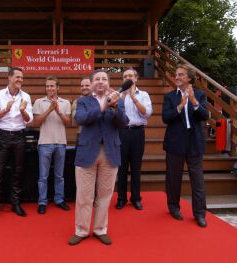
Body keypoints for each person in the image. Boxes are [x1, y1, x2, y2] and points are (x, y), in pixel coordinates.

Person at [68, 69, 129, 246]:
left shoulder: (119, 100)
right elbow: (81, 119)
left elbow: (123, 123)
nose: (101, 82)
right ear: (92, 83)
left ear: (108, 83)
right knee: (84, 196)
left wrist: (116, 107)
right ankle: (81, 230)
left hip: (110, 152)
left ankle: (100, 229)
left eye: (104, 79)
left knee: (104, 195)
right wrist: (103, 107)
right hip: (87, 152)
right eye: (97, 79)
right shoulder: (83, 101)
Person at [162, 64, 209, 228]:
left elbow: (205, 115)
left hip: (194, 142)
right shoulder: (169, 97)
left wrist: (194, 101)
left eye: (181, 74)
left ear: (189, 78)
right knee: (173, 178)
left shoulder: (200, 94)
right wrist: (180, 106)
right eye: (176, 74)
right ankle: (173, 207)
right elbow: (165, 118)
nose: (177, 77)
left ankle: (200, 214)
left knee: (198, 180)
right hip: (175, 142)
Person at [0, 67, 33, 222]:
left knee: (18, 171)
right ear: (9, 78)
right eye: (17, 77)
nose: (20, 80)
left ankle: (16, 204)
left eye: (22, 77)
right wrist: (6, 109)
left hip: (19, 136)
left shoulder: (26, 96)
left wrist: (23, 111)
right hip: (3, 135)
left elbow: (29, 120)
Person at [33, 76, 71, 214]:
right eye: (47, 86)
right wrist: (49, 109)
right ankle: (42, 201)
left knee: (59, 175)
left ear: (58, 87)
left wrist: (58, 110)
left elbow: (68, 123)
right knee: (43, 176)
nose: (49, 88)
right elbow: (36, 123)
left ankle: (59, 200)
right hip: (44, 143)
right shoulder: (39, 102)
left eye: (52, 86)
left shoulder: (65, 102)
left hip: (61, 143)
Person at [116, 68, 152, 210]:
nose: (128, 78)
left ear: (136, 78)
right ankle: (121, 198)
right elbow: (115, 114)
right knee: (122, 168)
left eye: (130, 75)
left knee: (136, 167)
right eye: (125, 76)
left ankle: (136, 198)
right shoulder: (118, 94)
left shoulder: (143, 94)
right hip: (122, 132)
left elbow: (146, 113)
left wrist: (133, 97)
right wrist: (124, 96)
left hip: (137, 133)